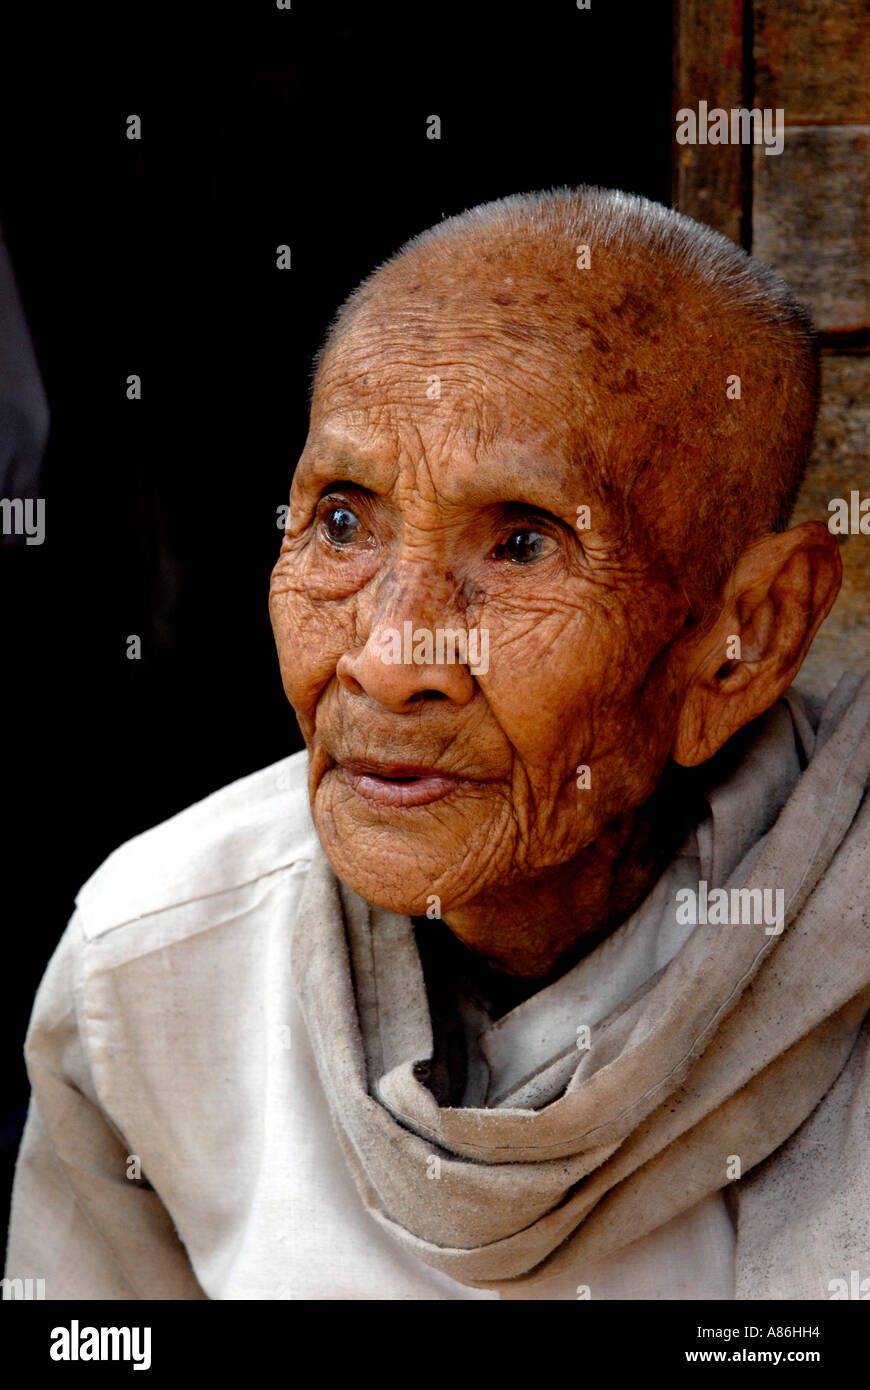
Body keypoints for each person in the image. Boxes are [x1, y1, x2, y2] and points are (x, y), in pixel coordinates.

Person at [6, 188, 869, 1300]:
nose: (388, 654)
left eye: (522, 544)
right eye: (343, 521)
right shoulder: (154, 960)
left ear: (746, 638)